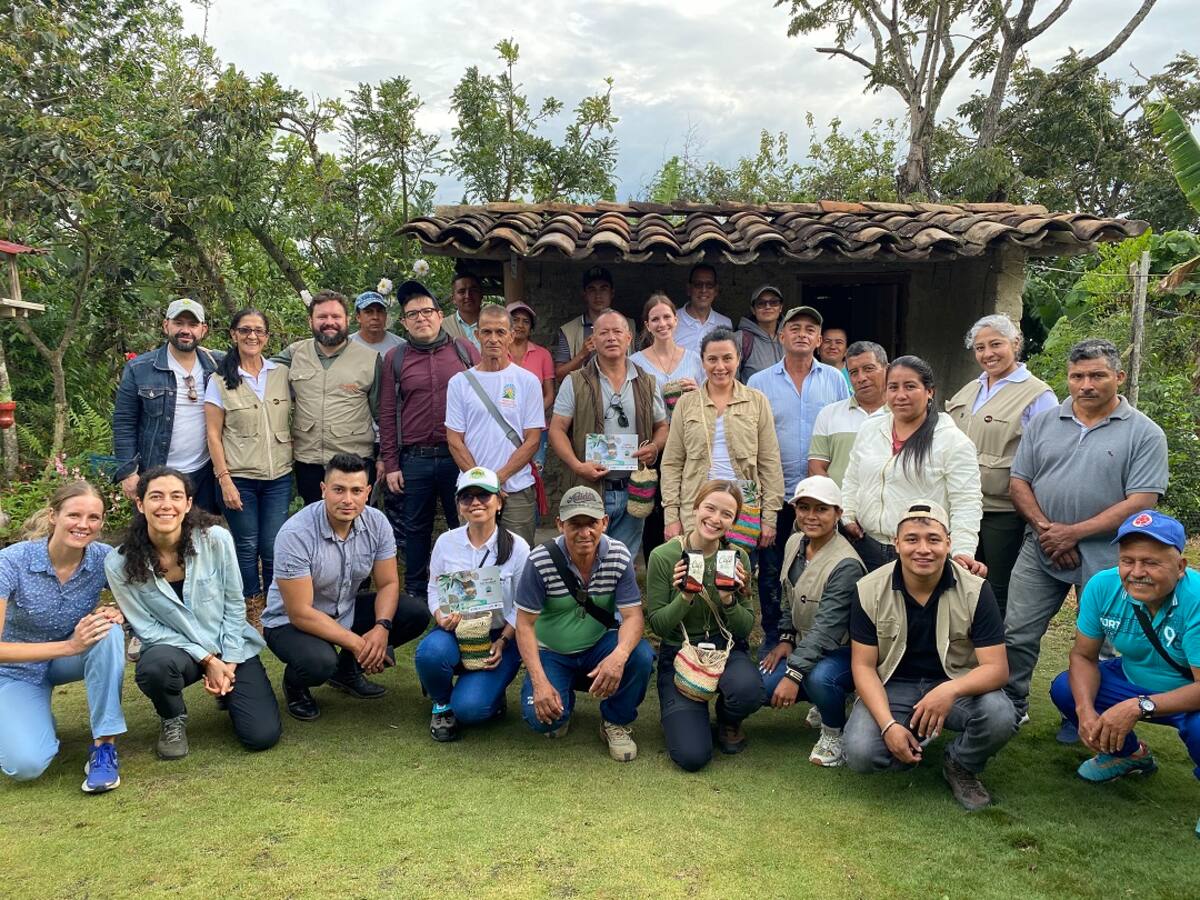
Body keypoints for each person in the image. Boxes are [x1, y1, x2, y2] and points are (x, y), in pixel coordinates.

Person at [1004, 338, 1169, 725]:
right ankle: (1009, 707)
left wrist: (1073, 533)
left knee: (1103, 642)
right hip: (1041, 547)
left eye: (1097, 376)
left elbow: (1141, 500)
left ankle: (1086, 716)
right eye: (1077, 376)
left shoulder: (1145, 433)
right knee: (1017, 632)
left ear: (1119, 377)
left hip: (1109, 556)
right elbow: (1019, 482)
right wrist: (1049, 532)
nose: (1086, 385)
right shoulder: (1044, 422)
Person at [844, 501, 1016, 811]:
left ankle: (960, 763)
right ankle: (906, 739)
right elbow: (863, 666)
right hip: (894, 685)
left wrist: (948, 691)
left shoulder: (976, 590)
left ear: (948, 543)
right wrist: (887, 726)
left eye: (933, 539)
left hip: (955, 682)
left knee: (1001, 714)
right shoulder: (868, 590)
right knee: (860, 754)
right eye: (912, 539)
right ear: (896, 544)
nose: (923, 549)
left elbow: (997, 669)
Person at [106, 468, 281, 759]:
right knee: (154, 668)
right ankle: (172, 718)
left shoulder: (216, 540)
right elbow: (146, 628)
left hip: (227, 644)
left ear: (188, 504)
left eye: (176, 496)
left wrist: (229, 663)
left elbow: (234, 604)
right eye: (156, 497)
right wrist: (208, 660)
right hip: (175, 652)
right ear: (140, 504)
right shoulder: (118, 563)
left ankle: (229, 692)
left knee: (262, 735)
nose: (166, 505)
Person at [1048, 510, 1200, 836]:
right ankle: (1128, 755)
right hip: (1133, 679)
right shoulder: (1103, 586)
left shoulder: (1196, 599)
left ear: (1180, 567)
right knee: (1067, 689)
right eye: (1127, 561)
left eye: (1151, 563)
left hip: (1189, 693)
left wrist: (1137, 706)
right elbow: (1083, 656)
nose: (1137, 572)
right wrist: (1084, 711)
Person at [261, 454, 430, 721]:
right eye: (339, 490)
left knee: (414, 612)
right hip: (290, 623)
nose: (347, 500)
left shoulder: (377, 522)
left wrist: (381, 628)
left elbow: (388, 583)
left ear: (368, 492)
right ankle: (296, 685)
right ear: (323, 490)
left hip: (343, 609)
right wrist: (360, 644)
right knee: (320, 662)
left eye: (356, 491)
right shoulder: (295, 534)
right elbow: (300, 612)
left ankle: (346, 672)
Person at [0, 482, 125, 793]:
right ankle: (30, 718)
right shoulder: (11, 562)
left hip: (65, 662)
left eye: (93, 517)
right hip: (14, 671)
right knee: (26, 765)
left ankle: (104, 748)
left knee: (107, 631)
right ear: (53, 515)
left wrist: (120, 611)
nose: (83, 524)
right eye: (74, 515)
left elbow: (146, 592)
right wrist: (70, 646)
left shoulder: (104, 559)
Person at [515, 486, 656, 761]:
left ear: (604, 522)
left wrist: (619, 656)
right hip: (551, 652)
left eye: (591, 523)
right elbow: (524, 625)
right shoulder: (540, 560)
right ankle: (561, 698)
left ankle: (615, 720)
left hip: (597, 646)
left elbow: (633, 616)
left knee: (640, 655)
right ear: (560, 524)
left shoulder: (619, 555)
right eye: (575, 524)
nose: (584, 532)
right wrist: (539, 682)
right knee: (543, 720)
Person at [747, 305, 850, 649]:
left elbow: (841, 428)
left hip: (821, 496)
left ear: (819, 339)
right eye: (795, 328)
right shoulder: (759, 382)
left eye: (810, 329)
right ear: (781, 336)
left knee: (819, 567)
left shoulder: (835, 379)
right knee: (772, 569)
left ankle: (815, 638)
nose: (802, 334)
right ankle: (774, 636)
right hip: (775, 493)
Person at [945, 314, 1056, 618]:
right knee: (960, 578)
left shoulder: (1038, 395)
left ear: (1015, 343)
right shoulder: (970, 390)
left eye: (996, 344)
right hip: (962, 506)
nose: (988, 354)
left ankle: (998, 643)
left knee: (997, 586)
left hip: (1004, 510)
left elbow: (1049, 456)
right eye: (980, 348)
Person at [646, 481, 759, 771]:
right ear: (696, 508)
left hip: (725, 650)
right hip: (680, 653)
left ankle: (727, 719)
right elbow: (658, 626)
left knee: (748, 689)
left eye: (726, 514)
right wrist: (684, 596)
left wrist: (728, 599)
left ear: (734, 521)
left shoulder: (738, 557)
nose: (716, 519)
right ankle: (686, 716)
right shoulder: (664, 556)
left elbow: (745, 628)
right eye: (710, 508)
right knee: (692, 756)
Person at [379, 280, 481, 599]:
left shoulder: (464, 351)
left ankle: (466, 595)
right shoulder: (395, 358)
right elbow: (387, 413)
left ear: (439, 315)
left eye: (426, 311)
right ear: (404, 322)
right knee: (415, 530)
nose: (421, 318)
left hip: (458, 457)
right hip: (415, 459)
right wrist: (391, 464)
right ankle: (416, 595)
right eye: (413, 314)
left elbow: (482, 403)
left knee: (463, 525)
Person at [414, 467, 529, 742]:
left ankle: (485, 691)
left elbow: (524, 604)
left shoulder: (518, 547)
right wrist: (440, 615)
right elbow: (433, 589)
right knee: (430, 653)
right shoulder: (446, 542)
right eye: (467, 497)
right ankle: (442, 703)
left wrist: (503, 640)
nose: (475, 502)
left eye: (484, 495)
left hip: (498, 636)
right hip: (455, 630)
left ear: (499, 502)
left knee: (471, 709)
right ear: (459, 505)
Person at [841, 355, 984, 575]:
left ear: (929, 392)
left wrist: (962, 551)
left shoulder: (952, 441)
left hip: (920, 554)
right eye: (893, 387)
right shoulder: (870, 429)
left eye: (910, 386)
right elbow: (852, 479)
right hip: (866, 547)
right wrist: (848, 516)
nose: (900, 395)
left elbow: (966, 501)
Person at [760, 476, 867, 767]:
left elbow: (826, 630)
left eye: (821, 509)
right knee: (762, 687)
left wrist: (793, 675)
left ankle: (834, 732)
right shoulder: (794, 541)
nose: (811, 516)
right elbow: (787, 596)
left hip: (843, 650)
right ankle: (823, 700)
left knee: (820, 678)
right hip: (804, 642)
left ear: (838, 514)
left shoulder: (846, 564)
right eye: (803, 507)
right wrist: (786, 638)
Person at [549, 308, 668, 561]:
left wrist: (654, 447)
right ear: (593, 340)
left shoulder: (648, 382)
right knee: (585, 559)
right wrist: (577, 466)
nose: (611, 337)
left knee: (622, 561)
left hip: (633, 488)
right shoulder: (575, 381)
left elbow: (662, 426)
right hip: (589, 488)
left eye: (617, 332)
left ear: (628, 338)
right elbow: (557, 430)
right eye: (604, 333)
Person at [204, 308, 292, 628]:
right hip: (239, 476)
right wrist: (224, 479)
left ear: (267, 337)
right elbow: (213, 434)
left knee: (272, 544)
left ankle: (275, 604)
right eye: (245, 330)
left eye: (258, 330)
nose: (252, 336)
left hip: (278, 476)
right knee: (246, 544)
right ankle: (251, 605)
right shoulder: (219, 381)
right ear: (233, 334)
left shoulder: (280, 374)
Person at [661, 327, 783, 543]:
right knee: (697, 563)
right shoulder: (686, 403)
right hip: (697, 508)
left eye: (727, 358)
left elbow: (770, 462)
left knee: (738, 564)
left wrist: (769, 517)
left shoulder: (756, 401)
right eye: (712, 359)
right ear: (702, 361)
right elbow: (672, 463)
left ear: (738, 359)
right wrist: (671, 516)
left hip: (743, 509)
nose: (720, 367)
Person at [445, 305, 544, 545]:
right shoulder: (459, 383)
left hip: (516, 488)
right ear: (477, 335)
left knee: (519, 555)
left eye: (500, 332)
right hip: (472, 490)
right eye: (486, 332)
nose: (493, 339)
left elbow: (532, 440)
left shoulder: (528, 381)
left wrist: (497, 479)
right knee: (473, 556)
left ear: (511, 335)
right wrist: (482, 483)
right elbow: (454, 440)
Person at [274, 289, 382, 505]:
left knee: (354, 518)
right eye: (322, 316)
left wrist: (384, 457)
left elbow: (383, 414)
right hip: (308, 461)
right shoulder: (295, 353)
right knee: (314, 518)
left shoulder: (370, 359)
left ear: (347, 320)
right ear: (310, 321)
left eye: (336, 316)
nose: (329, 322)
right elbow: (255, 369)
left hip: (355, 460)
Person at [113, 297, 220, 514]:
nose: (185, 330)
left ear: (203, 330)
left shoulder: (217, 366)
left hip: (204, 474)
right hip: (155, 474)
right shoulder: (139, 369)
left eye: (192, 324)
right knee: (155, 533)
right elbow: (124, 423)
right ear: (166, 325)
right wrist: (128, 472)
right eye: (179, 323)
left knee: (201, 533)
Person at [629, 291, 705, 561]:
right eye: (655, 319)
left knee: (689, 502)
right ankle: (657, 567)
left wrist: (698, 391)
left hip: (689, 445)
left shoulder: (694, 359)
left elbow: (712, 400)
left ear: (676, 320)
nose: (662, 324)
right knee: (654, 510)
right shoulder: (635, 362)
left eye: (666, 317)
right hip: (655, 445)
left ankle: (688, 564)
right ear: (647, 325)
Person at [808, 341, 889, 486]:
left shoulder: (901, 414)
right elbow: (816, 468)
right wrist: (834, 498)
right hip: (839, 500)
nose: (861, 378)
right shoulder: (829, 414)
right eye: (854, 373)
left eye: (869, 369)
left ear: (887, 370)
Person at [553, 266, 636, 381]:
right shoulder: (569, 330)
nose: (598, 295)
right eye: (592, 289)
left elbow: (640, 365)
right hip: (584, 390)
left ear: (612, 293)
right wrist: (582, 354)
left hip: (621, 388)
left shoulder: (630, 325)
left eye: (603, 289)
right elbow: (559, 375)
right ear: (585, 294)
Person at [507, 300, 555, 470]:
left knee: (535, 473)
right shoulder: (499, 353)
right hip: (505, 427)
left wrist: (530, 414)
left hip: (535, 427)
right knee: (506, 471)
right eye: (515, 320)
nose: (520, 325)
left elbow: (549, 394)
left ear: (531, 327)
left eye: (526, 321)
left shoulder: (543, 355)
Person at [673, 263, 733, 354]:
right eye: (698, 284)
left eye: (709, 285)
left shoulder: (725, 323)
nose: (704, 290)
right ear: (689, 289)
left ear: (716, 290)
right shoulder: (671, 321)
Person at [735, 284, 784, 382]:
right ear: (753, 310)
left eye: (774, 302)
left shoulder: (791, 337)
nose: (768, 306)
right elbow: (730, 381)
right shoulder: (741, 339)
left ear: (780, 308)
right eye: (761, 303)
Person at [349, 290, 404, 356]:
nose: (375, 317)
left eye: (379, 311)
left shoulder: (401, 347)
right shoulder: (345, 346)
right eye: (369, 312)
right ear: (358, 317)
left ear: (385, 316)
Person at [441, 271, 484, 349]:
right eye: (462, 292)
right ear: (453, 298)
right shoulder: (443, 326)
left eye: (473, 290)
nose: (468, 296)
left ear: (481, 295)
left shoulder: (494, 322)